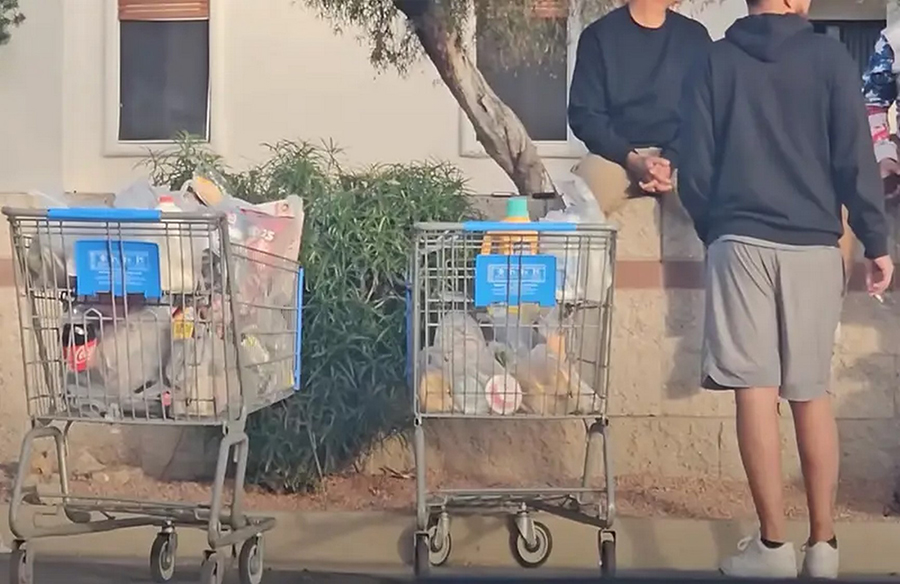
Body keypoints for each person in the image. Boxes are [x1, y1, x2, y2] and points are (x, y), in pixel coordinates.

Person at [678, 0, 894, 579]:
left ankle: (772, 547)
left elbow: (694, 168)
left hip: (740, 238)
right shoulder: (828, 59)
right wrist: (877, 242)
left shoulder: (714, 60)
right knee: (810, 393)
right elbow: (856, 159)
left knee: (754, 390)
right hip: (814, 243)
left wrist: (717, 226)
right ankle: (822, 547)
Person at [567, 0, 711, 216]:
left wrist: (671, 160)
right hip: (615, 156)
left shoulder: (695, 38)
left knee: (706, 188)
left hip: (681, 155)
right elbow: (585, 114)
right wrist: (631, 159)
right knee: (585, 197)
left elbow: (704, 113)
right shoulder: (599, 36)